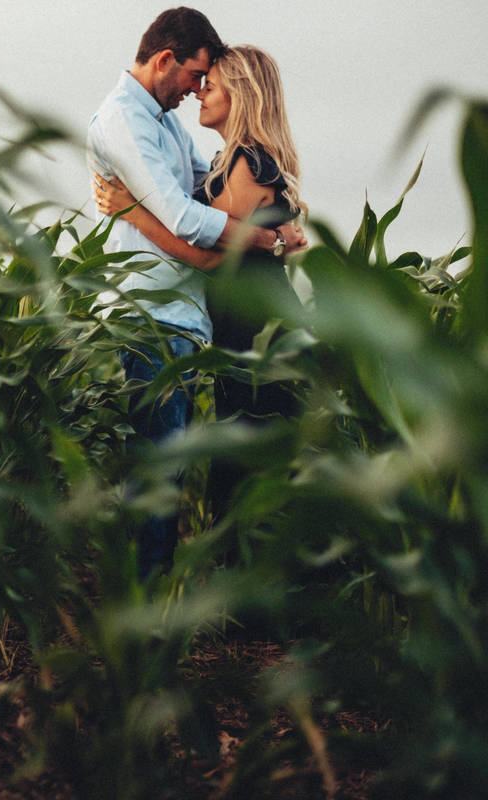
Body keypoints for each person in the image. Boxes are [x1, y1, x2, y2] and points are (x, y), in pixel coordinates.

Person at [85, 8, 305, 578]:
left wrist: (271, 234)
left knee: (199, 461)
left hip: (216, 321)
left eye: (211, 82)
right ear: (165, 61)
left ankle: (224, 596)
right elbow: (189, 221)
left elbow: (201, 217)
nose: (197, 89)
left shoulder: (177, 130)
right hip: (160, 316)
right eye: (194, 77)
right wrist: (266, 235)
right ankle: (151, 596)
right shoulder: (124, 122)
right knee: (165, 464)